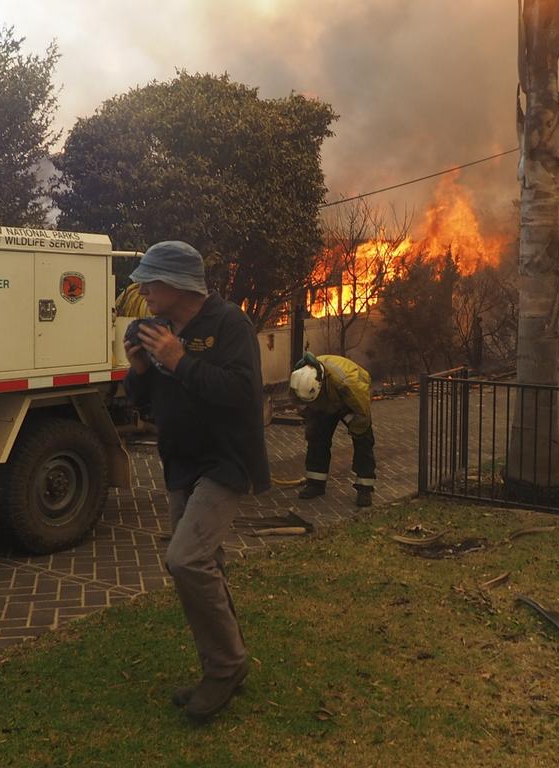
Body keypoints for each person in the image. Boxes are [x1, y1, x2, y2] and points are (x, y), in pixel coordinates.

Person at [122, 240, 270, 722]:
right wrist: (141, 369)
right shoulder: (155, 328)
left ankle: (225, 668)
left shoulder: (230, 324)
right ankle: (225, 662)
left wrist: (180, 359)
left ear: (178, 284)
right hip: (179, 462)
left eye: (150, 280)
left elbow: (243, 395)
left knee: (185, 559)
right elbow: (144, 400)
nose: (142, 288)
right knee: (207, 566)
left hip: (226, 462)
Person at [289, 352, 376, 507]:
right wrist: (310, 420)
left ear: (320, 384)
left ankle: (364, 487)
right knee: (316, 437)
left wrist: (355, 428)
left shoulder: (350, 385)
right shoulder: (300, 378)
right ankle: (316, 483)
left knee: (363, 440)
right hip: (327, 399)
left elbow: (361, 418)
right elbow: (299, 403)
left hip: (347, 402)